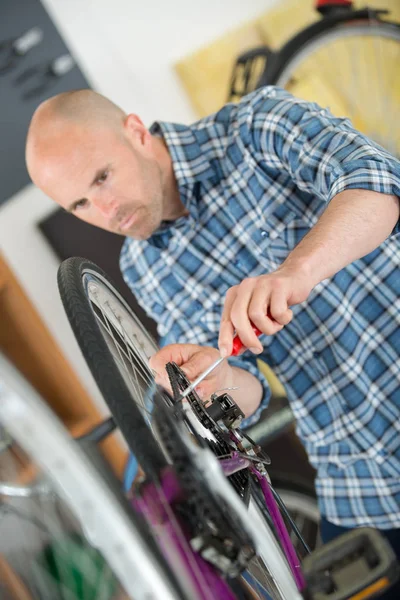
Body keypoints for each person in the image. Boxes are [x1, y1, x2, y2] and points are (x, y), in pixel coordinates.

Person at [26, 87, 400, 594]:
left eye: (102, 177)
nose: (106, 210)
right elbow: (251, 395)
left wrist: (295, 273)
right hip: (360, 474)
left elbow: (378, 182)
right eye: (80, 203)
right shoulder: (145, 269)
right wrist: (216, 379)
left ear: (136, 131)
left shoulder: (254, 126)